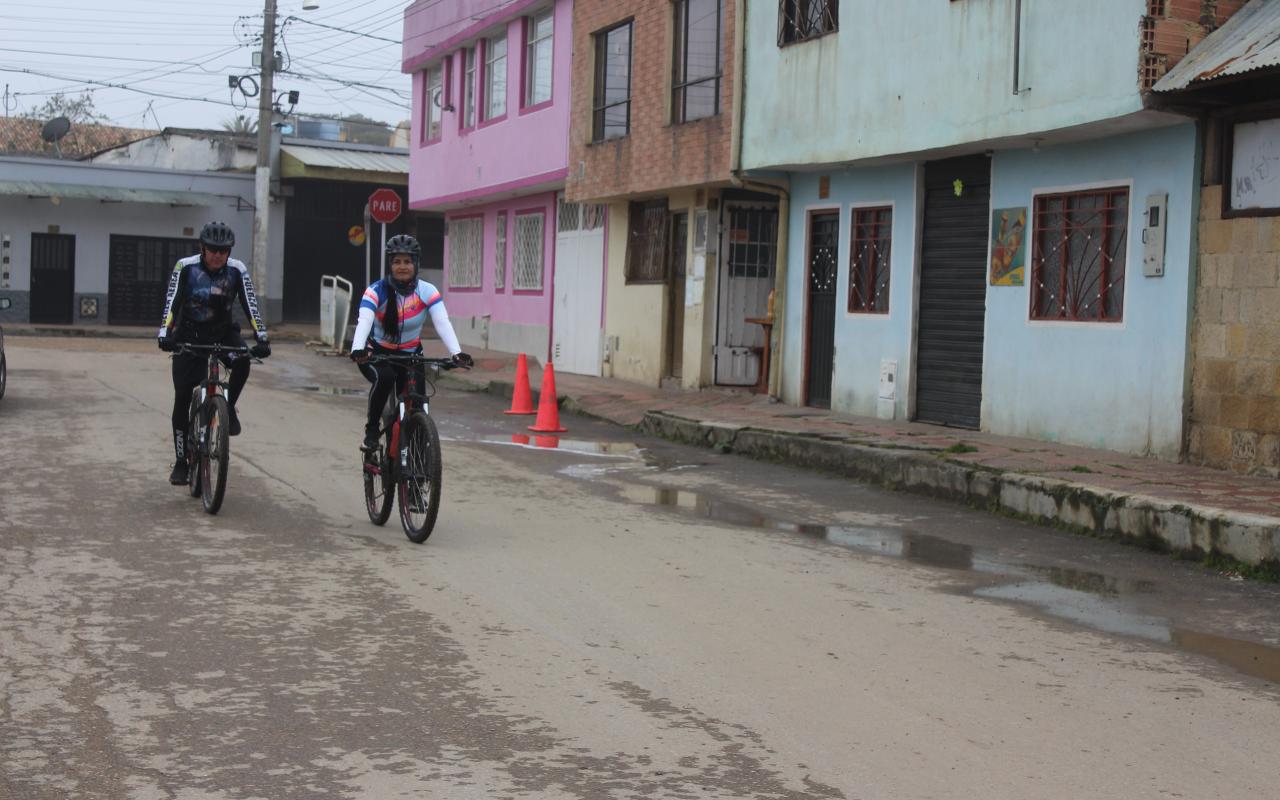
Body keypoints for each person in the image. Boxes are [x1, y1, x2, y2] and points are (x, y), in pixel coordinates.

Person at [158, 221, 271, 485]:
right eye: (213, 250)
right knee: (183, 398)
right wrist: (165, 334)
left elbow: (250, 305)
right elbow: (172, 300)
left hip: (222, 333)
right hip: (188, 336)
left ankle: (228, 408)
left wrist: (262, 337)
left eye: (223, 250)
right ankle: (181, 461)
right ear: (202, 248)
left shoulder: (237, 270)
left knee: (243, 359)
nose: (218, 255)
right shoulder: (185, 267)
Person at [349, 234, 472, 451]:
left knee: (417, 401)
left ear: (416, 263)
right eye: (397, 262)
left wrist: (456, 353)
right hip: (376, 353)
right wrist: (357, 348)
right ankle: (371, 432)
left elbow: (442, 322)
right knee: (385, 377)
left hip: (411, 353)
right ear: (390, 265)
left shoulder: (427, 291)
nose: (402, 267)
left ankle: (419, 457)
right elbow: (364, 320)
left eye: (407, 261)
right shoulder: (376, 291)